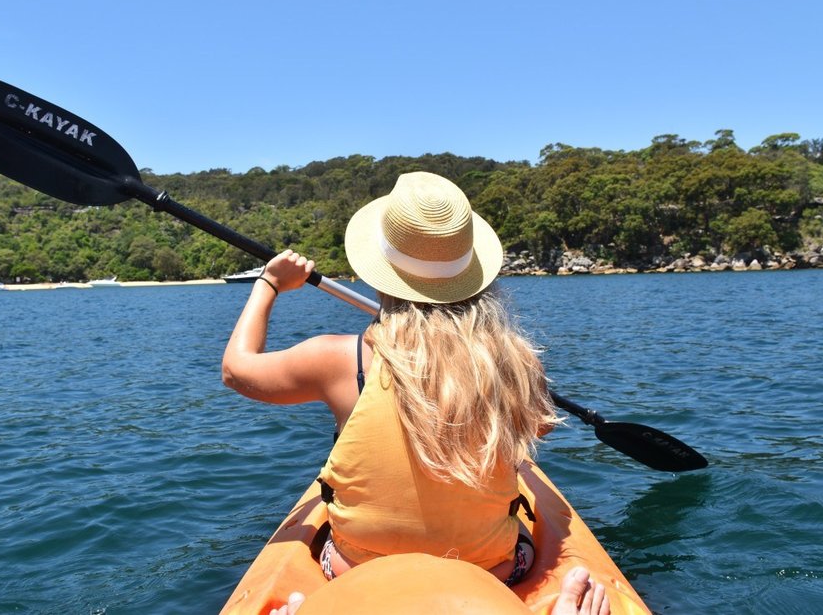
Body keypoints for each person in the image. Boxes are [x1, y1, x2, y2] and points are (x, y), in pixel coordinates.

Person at [223, 172, 609, 615]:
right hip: (496, 574)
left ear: (381, 276)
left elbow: (237, 371)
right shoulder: (517, 361)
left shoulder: (338, 359)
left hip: (354, 572)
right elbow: (537, 429)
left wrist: (268, 284)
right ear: (472, 275)